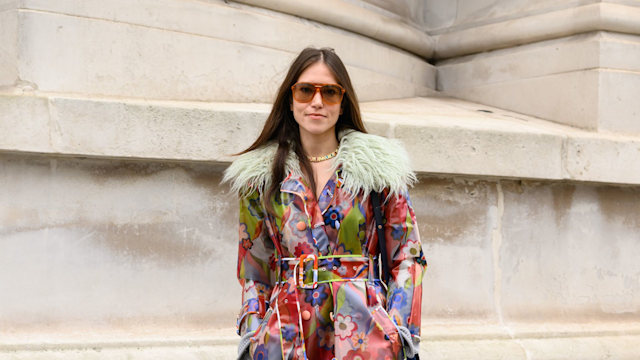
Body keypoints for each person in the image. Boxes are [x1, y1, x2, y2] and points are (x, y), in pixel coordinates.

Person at [223, 47, 426, 360]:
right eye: (305, 90)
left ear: (342, 102)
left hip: (364, 338)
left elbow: (407, 256)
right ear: (290, 100)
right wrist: (253, 336)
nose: (316, 102)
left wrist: (397, 331)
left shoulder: (379, 171)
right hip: (284, 337)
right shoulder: (260, 178)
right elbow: (255, 269)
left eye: (329, 92)